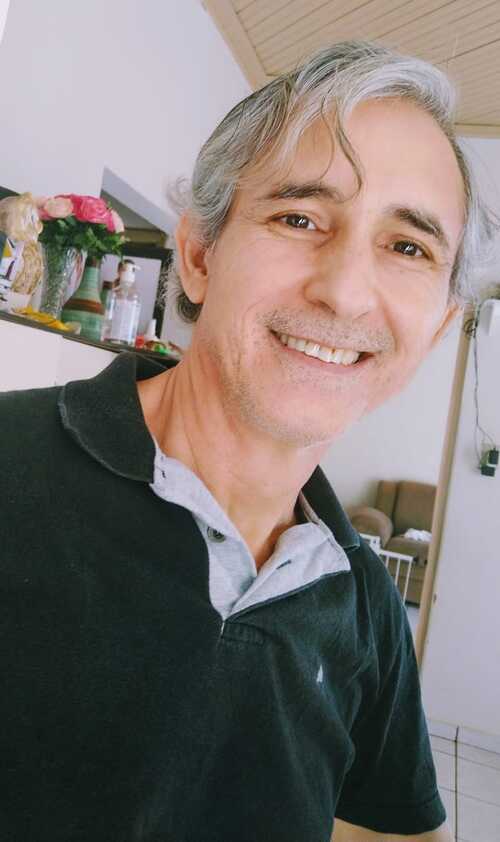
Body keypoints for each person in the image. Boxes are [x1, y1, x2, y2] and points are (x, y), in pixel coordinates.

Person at [0, 41, 495, 842]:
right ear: (199, 255)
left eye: (408, 247)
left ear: (437, 330)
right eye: (299, 218)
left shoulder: (367, 603)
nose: (344, 292)